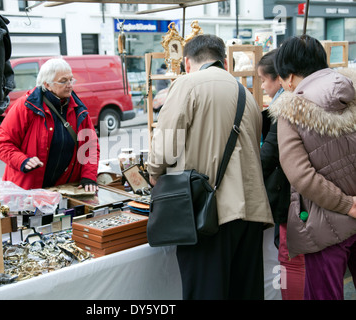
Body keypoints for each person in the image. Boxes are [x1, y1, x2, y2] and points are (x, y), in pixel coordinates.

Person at [147, 34, 274, 300]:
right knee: (245, 292)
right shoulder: (246, 93)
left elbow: (165, 147)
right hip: (249, 210)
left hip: (208, 212)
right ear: (224, 61)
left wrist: (153, 175)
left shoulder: (187, 84)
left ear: (186, 62)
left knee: (207, 292)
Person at [269, 34, 356, 300]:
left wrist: (347, 205)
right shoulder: (351, 92)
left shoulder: (292, 108)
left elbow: (300, 174)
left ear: (290, 76)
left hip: (325, 226)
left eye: (282, 79)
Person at [0, 58, 100, 192]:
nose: (69, 85)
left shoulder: (78, 108)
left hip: (63, 189)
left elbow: (90, 146)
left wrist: (89, 176)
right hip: (26, 190)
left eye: (71, 80)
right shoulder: (25, 107)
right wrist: (23, 160)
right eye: (63, 81)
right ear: (47, 84)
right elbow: (3, 145)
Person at [257, 49, 305, 300]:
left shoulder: (285, 108)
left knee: (291, 258)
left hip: (294, 198)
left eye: (264, 80)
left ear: (283, 78)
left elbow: (269, 155)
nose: (263, 86)